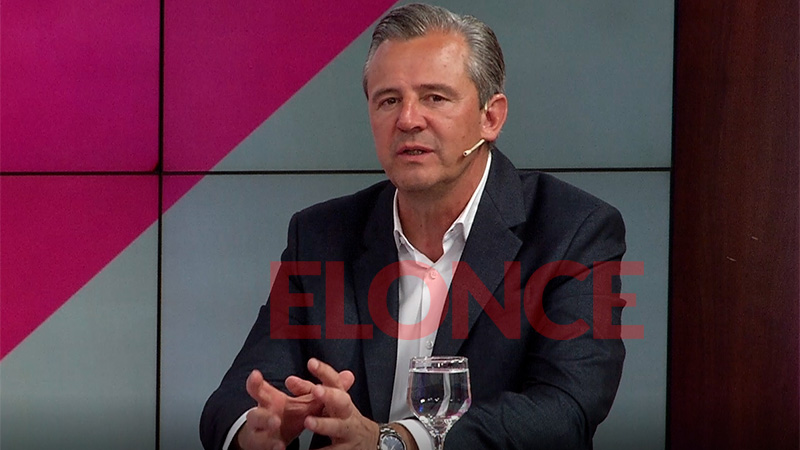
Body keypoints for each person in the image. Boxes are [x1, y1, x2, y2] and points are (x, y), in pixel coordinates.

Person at [200, 3, 627, 450]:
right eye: (388, 100)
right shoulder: (320, 236)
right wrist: (260, 426)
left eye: (434, 98)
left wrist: (395, 441)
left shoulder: (573, 230)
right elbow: (236, 397)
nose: (407, 120)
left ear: (491, 117)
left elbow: (565, 410)